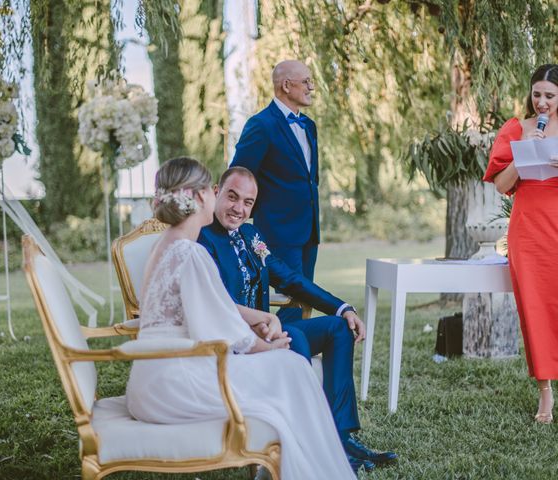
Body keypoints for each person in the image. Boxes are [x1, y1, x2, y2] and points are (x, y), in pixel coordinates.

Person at [125, 157, 356, 479]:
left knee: (290, 363)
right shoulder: (190, 251)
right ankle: (290, 461)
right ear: (202, 195)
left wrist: (266, 330)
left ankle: (310, 449)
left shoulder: (171, 246)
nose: (237, 207)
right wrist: (266, 347)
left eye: (248, 202)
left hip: (158, 374)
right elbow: (216, 324)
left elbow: (214, 310)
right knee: (291, 366)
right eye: (218, 192)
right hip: (173, 381)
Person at [198, 166, 398, 473]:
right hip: (238, 340)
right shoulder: (203, 238)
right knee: (298, 338)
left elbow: (290, 279)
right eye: (232, 197)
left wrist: (342, 307)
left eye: (248, 202)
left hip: (270, 330)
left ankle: (341, 440)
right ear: (216, 192)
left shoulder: (251, 235)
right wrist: (261, 324)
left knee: (337, 329)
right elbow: (215, 303)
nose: (239, 208)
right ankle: (306, 441)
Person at [483, 63, 558, 424]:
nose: (541, 102)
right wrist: (523, 152)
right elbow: (500, 184)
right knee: (536, 308)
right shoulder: (516, 128)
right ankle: (545, 391)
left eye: (550, 96)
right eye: (537, 94)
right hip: (529, 229)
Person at [231, 60, 320, 322]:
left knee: (305, 298)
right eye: (306, 81)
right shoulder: (261, 124)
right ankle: (280, 350)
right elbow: (240, 175)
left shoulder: (310, 126)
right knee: (291, 297)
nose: (311, 87)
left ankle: (293, 348)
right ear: (286, 85)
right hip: (279, 231)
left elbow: (309, 179)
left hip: (309, 231)